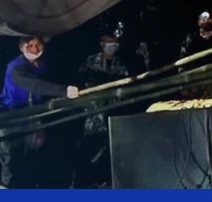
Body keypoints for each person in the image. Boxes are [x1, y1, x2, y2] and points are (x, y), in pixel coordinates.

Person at [0, 36, 80, 189]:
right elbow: (35, 85)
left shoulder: (43, 64)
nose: (35, 49)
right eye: (30, 45)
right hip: (12, 119)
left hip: (33, 119)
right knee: (11, 163)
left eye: (38, 45)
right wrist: (64, 90)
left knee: (32, 160)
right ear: (21, 47)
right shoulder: (16, 68)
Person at [75, 35, 130, 188]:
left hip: (113, 113)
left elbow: (125, 88)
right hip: (92, 114)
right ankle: (83, 181)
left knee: (110, 147)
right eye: (109, 42)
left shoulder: (120, 64)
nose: (112, 45)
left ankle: (105, 180)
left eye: (115, 42)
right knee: (89, 146)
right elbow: (80, 85)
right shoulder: (90, 62)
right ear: (102, 44)